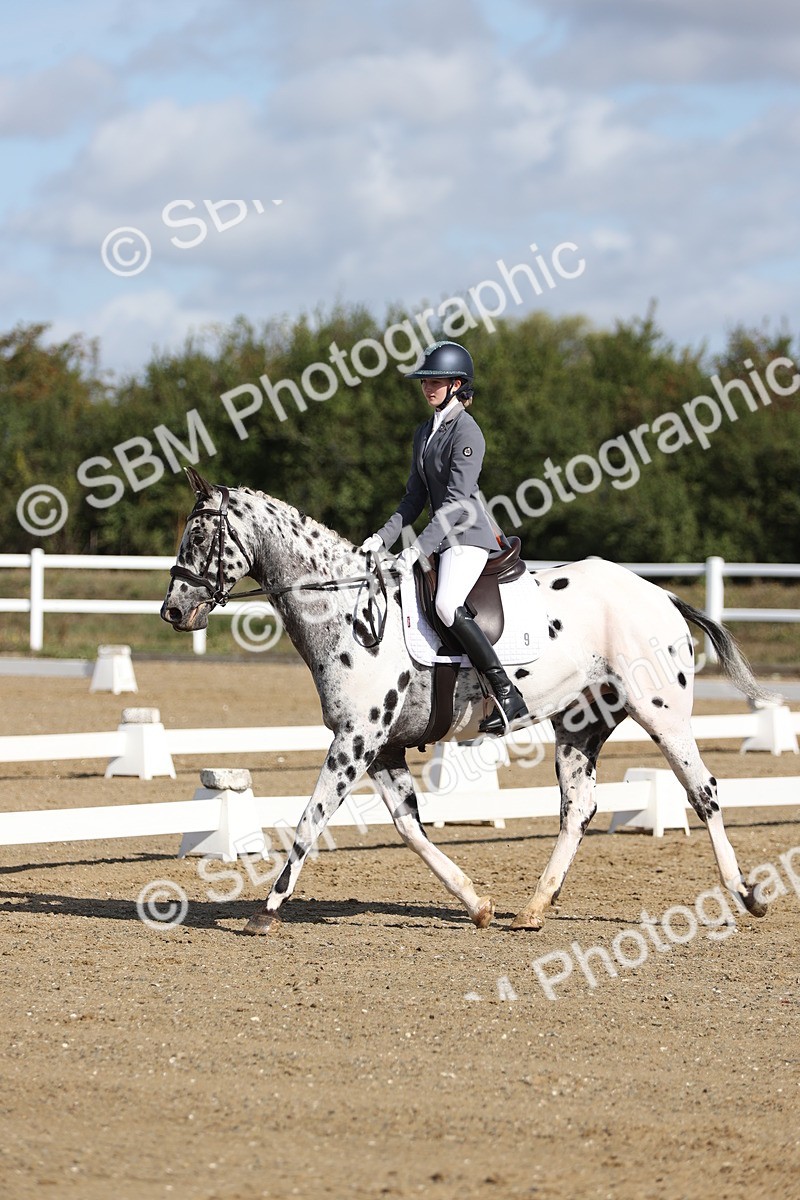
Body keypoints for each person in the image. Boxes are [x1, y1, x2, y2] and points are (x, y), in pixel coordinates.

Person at [361, 340, 529, 735]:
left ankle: (507, 693)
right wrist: (381, 539)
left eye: (435, 381)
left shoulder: (467, 431)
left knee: (446, 603)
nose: (427, 388)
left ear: (456, 384)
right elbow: (414, 497)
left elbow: (455, 504)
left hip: (467, 535)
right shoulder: (424, 432)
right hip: (441, 535)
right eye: (424, 381)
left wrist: (417, 548)